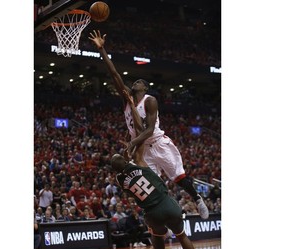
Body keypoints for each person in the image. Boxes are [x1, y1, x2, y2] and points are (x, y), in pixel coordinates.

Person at [88, 30, 209, 220]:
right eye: (134, 81)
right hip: (143, 149)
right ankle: (172, 210)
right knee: (152, 184)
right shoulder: (127, 100)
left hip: (159, 143)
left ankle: (197, 198)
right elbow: (114, 73)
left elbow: (150, 129)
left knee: (179, 178)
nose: (135, 83)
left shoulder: (150, 100)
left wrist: (132, 142)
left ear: (144, 88)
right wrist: (102, 49)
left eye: (139, 82)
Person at [109, 94, 211, 249]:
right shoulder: (139, 161)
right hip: (167, 205)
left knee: (157, 235)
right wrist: (132, 109)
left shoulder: (120, 181)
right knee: (182, 236)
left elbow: (123, 167)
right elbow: (140, 133)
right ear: (126, 160)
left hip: (151, 212)